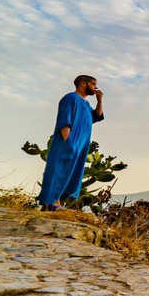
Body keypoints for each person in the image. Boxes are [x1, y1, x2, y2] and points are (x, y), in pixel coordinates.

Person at [37, 75, 105, 210]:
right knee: (58, 171)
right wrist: (69, 142)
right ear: (82, 84)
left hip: (81, 146)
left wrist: (99, 100)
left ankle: (57, 203)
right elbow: (64, 121)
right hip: (67, 143)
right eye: (93, 84)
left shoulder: (86, 104)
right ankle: (49, 203)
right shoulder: (70, 98)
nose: (96, 87)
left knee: (71, 174)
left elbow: (96, 116)